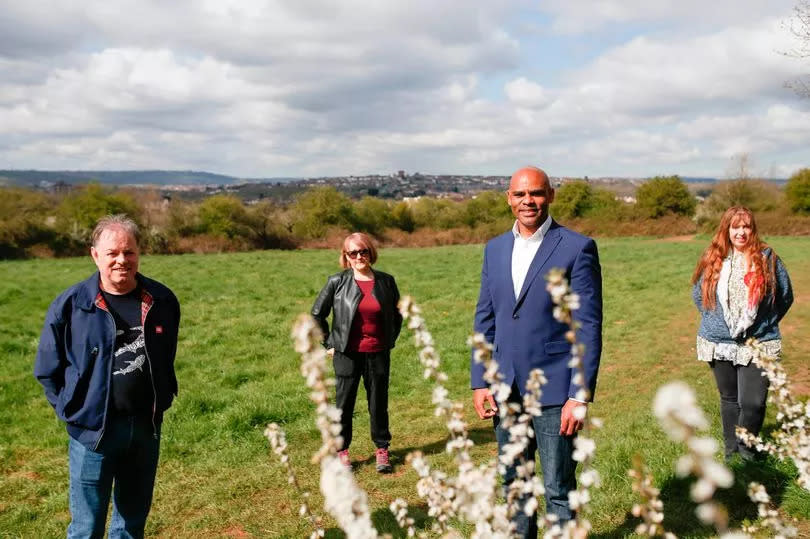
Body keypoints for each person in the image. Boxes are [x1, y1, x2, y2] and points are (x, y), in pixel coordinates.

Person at [471, 166, 603, 535]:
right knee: (514, 486)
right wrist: (480, 380)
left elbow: (587, 327)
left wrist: (579, 394)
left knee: (558, 490)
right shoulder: (495, 249)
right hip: (505, 388)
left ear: (550, 196)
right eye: (520, 194)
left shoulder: (577, 247)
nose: (528, 201)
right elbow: (486, 318)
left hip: (556, 390)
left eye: (537, 193)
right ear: (509, 199)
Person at [34, 214, 181, 538]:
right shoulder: (71, 305)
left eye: (129, 252)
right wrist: (73, 410)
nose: (121, 260)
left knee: (131, 525)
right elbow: (47, 369)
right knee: (86, 528)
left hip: (145, 429)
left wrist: (162, 399)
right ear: (95, 255)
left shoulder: (162, 300)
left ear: (139, 253)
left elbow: (165, 355)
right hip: (93, 433)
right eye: (112, 252)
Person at [692, 206, 793, 461]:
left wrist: (765, 323)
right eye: (735, 226)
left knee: (753, 402)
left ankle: (747, 451)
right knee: (729, 399)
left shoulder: (768, 258)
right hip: (719, 344)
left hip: (758, 342)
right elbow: (698, 295)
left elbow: (785, 296)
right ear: (726, 229)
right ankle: (732, 454)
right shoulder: (714, 257)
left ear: (753, 229)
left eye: (746, 226)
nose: (741, 232)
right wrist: (715, 323)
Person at [311, 232, 403, 473]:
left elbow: (397, 315)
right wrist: (329, 344)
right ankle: (342, 452)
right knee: (344, 405)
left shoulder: (386, 282)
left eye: (363, 251)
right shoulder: (336, 282)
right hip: (347, 354)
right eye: (353, 253)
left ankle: (382, 450)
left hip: (378, 353)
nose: (359, 256)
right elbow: (317, 314)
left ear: (370, 253)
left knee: (378, 403)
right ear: (346, 256)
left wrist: (388, 341)